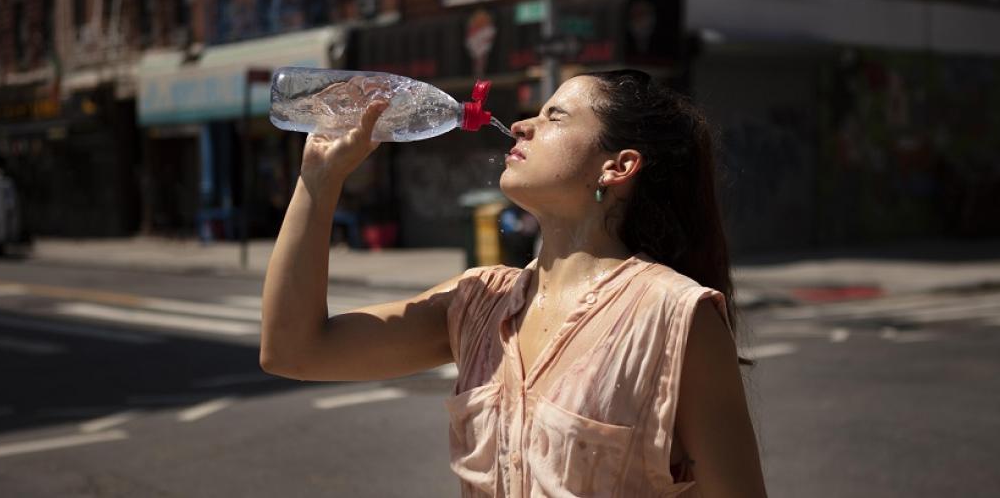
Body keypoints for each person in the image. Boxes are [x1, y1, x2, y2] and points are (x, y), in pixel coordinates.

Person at [261, 69, 768, 497]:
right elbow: (293, 351)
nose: (523, 124)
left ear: (617, 167)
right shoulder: (477, 302)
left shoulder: (676, 315)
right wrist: (319, 181)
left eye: (555, 116)